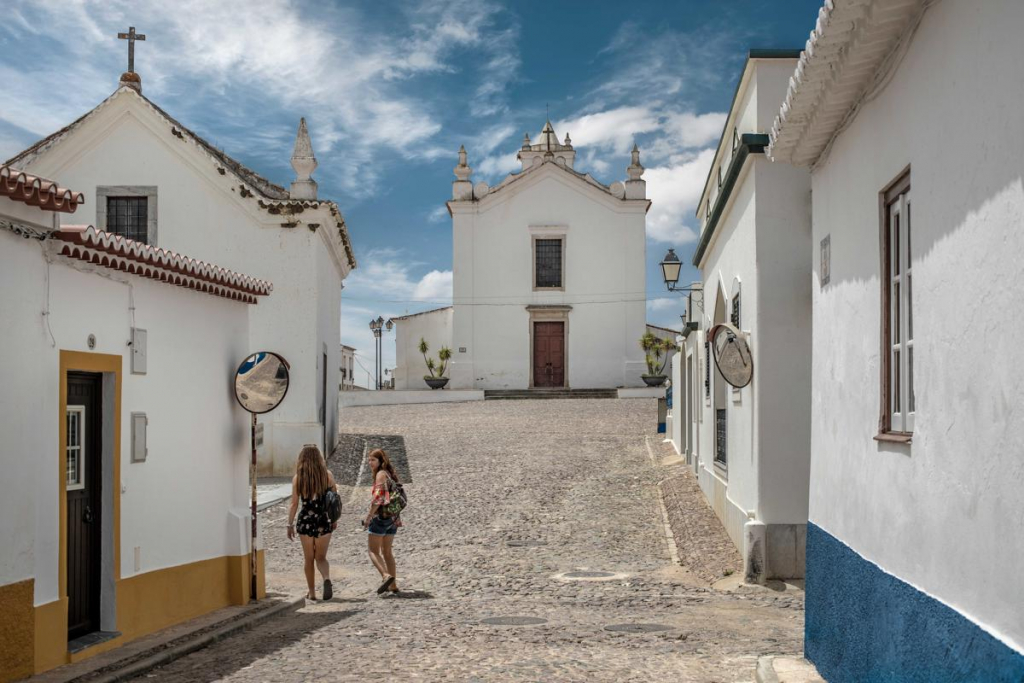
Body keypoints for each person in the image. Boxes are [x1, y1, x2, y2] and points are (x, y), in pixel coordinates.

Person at [287, 444, 338, 600]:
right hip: (323, 520)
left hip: (306, 520)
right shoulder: (327, 475)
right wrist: (334, 519)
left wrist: (289, 524)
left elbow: (294, 504)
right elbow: (334, 500)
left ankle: (312, 592)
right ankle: (326, 578)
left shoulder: (298, 478)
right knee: (321, 557)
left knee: (309, 559)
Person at [363, 448, 401, 594]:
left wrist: (369, 517)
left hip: (381, 518)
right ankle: (393, 585)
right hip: (392, 517)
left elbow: (378, 498)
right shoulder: (390, 474)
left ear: (380, 461)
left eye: (373, 460)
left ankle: (386, 576)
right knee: (387, 552)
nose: (370, 463)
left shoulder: (380, 475)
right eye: (369, 460)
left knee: (373, 551)